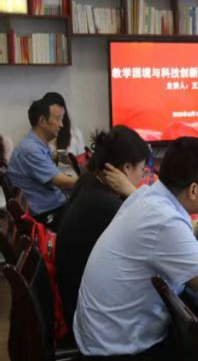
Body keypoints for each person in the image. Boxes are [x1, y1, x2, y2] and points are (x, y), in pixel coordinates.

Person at [73, 136, 198, 361]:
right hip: (116, 354)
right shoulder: (164, 220)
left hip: (102, 334)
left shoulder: (150, 196)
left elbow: (179, 253)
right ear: (194, 189)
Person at [56, 125, 150, 329]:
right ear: (126, 168)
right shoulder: (106, 206)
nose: (143, 177)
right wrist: (133, 192)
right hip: (92, 318)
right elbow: (153, 234)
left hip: (78, 298)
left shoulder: (89, 181)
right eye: (142, 169)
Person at [7, 97, 78, 228]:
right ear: (42, 121)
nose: (62, 125)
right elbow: (62, 181)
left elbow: (68, 174)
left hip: (57, 206)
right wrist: (92, 179)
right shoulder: (30, 149)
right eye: (58, 119)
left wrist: (60, 147)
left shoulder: (43, 145)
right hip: (47, 215)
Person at [42, 92, 86, 156]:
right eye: (55, 118)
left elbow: (83, 159)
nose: (60, 124)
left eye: (60, 117)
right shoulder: (39, 140)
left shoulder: (75, 133)